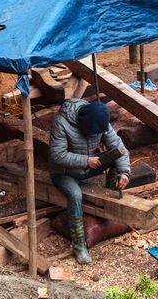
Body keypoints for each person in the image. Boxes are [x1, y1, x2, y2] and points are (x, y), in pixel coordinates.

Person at [49, 99, 130, 265]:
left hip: (88, 166)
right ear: (83, 124)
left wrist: (124, 173)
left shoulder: (100, 119)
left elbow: (118, 147)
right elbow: (57, 155)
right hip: (64, 172)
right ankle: (79, 245)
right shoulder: (62, 123)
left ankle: (107, 207)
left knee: (116, 159)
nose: (95, 136)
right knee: (75, 195)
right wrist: (86, 160)